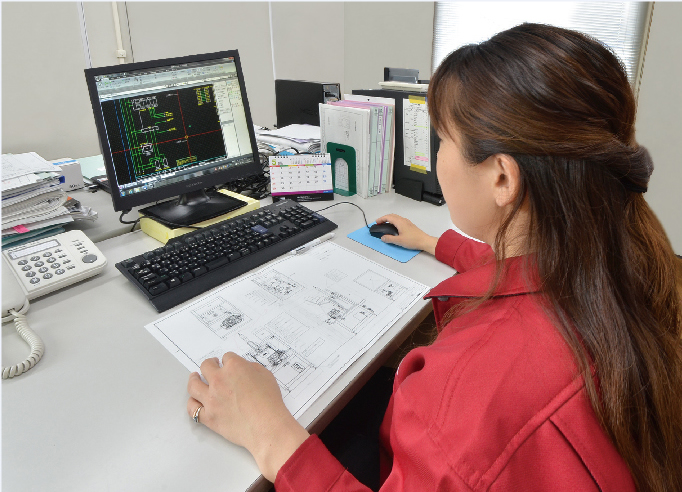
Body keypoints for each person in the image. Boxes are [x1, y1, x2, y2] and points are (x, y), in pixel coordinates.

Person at [186, 23, 682, 491]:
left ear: (503, 177)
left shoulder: (469, 397)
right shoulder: (625, 263)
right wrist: (433, 243)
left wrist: (270, 434)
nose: (438, 155)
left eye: (442, 139)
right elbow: (521, 274)